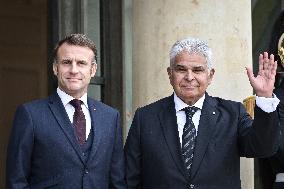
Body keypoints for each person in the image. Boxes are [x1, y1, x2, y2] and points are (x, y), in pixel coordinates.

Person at [124, 37, 280, 189]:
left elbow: (263, 148)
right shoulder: (145, 118)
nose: (189, 77)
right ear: (170, 74)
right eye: (181, 69)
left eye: (197, 70)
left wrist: (265, 96)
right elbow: (129, 178)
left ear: (210, 75)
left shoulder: (233, 114)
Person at [6, 34, 126, 189]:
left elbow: (117, 181)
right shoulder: (30, 114)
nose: (73, 70)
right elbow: (16, 180)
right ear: (55, 68)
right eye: (67, 62)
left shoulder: (110, 117)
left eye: (81, 63)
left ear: (93, 69)